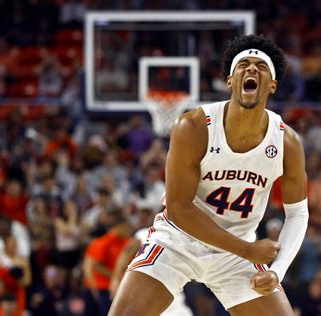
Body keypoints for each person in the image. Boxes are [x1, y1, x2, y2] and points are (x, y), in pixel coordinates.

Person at [110, 34, 308, 315]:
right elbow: (178, 209)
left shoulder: (287, 143)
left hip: (235, 254)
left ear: (272, 85)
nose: (252, 69)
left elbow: (298, 214)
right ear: (230, 80)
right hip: (179, 241)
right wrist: (247, 250)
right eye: (244, 64)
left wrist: (277, 271)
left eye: (261, 67)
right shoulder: (193, 126)